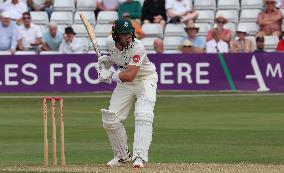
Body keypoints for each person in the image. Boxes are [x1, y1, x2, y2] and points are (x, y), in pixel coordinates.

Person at [95, 18, 157, 168]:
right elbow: (118, 59)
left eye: (130, 32)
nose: (129, 36)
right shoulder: (109, 42)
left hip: (144, 80)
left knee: (143, 115)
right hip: (125, 83)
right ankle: (122, 156)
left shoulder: (138, 47)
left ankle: (140, 157)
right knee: (110, 119)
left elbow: (130, 75)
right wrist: (107, 61)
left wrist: (110, 75)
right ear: (116, 36)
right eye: (124, 34)